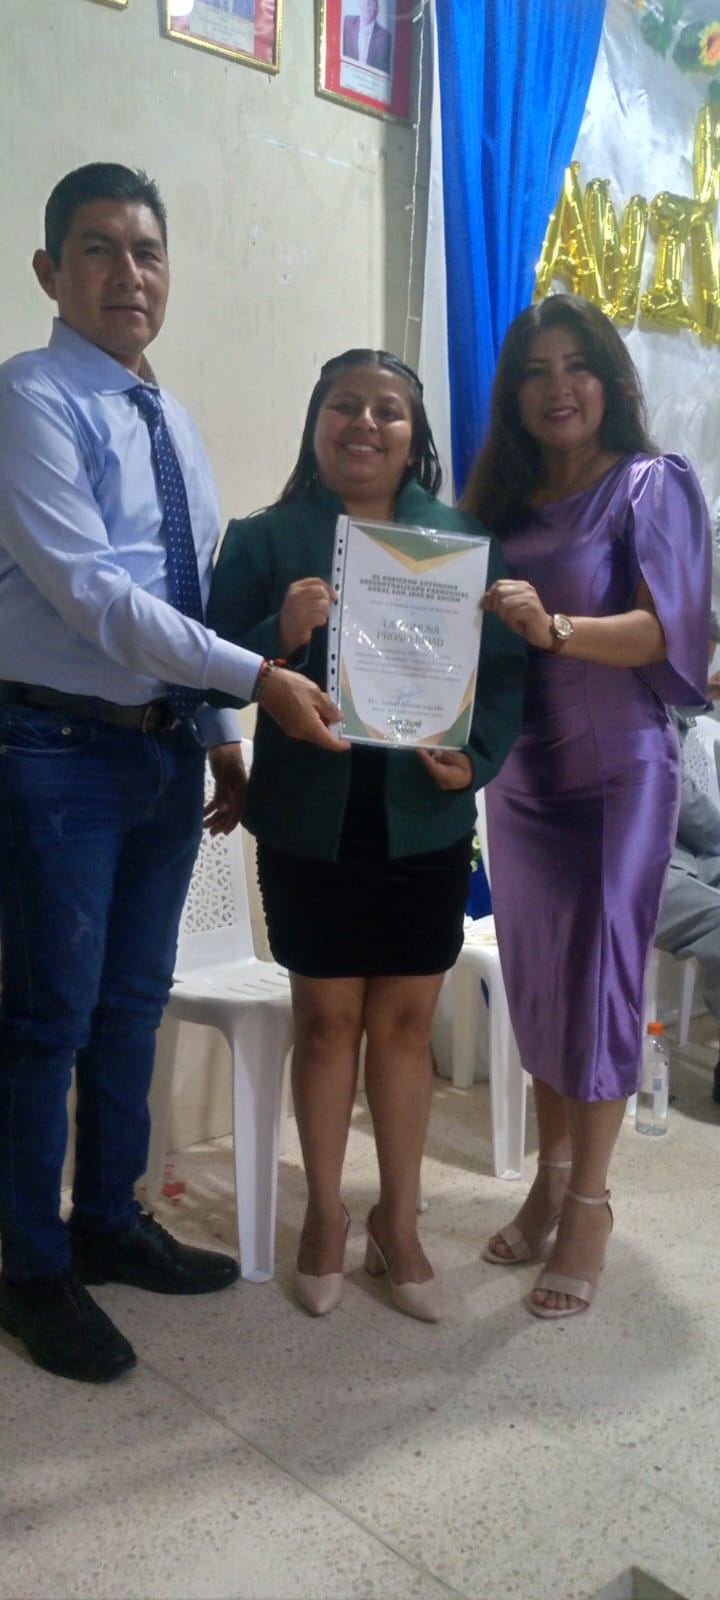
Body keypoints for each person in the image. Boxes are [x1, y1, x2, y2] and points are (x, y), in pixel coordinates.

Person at [0, 162, 346, 1386]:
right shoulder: (31, 399)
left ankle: (107, 1222)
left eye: (146, 252)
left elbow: (186, 597)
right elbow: (97, 596)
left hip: (157, 752)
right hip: (53, 751)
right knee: (46, 1020)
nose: (128, 273)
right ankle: (28, 1264)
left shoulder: (172, 420)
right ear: (50, 271)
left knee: (129, 1008)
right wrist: (257, 678)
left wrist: (216, 736)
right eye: (98, 249)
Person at [207, 348, 526, 1322]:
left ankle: (398, 1220)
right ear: (317, 421)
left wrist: (478, 757)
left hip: (422, 818)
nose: (365, 423)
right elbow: (207, 663)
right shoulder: (266, 538)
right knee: (324, 1024)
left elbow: (503, 678)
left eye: (388, 409)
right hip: (309, 821)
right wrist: (280, 632)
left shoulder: (461, 545)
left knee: (403, 1026)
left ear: (413, 434)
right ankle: (324, 1217)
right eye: (345, 405)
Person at [464, 293, 711, 1319]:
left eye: (576, 366)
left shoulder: (651, 484)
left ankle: (592, 1204)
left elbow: (669, 635)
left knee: (603, 980)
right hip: (522, 775)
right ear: (515, 394)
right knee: (539, 983)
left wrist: (555, 625)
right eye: (536, 371)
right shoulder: (501, 507)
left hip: (617, 771)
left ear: (608, 380)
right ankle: (551, 1176)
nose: (557, 387)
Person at [655, 705, 720, 1104]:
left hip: (688, 852)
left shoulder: (680, 705)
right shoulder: (645, 703)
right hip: (634, 867)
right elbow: (682, 800)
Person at [343, 0, 393, 74]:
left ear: (377, 7)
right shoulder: (347, 22)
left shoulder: (385, 37)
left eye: (371, 1)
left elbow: (383, 71)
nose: (367, 4)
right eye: (364, 0)